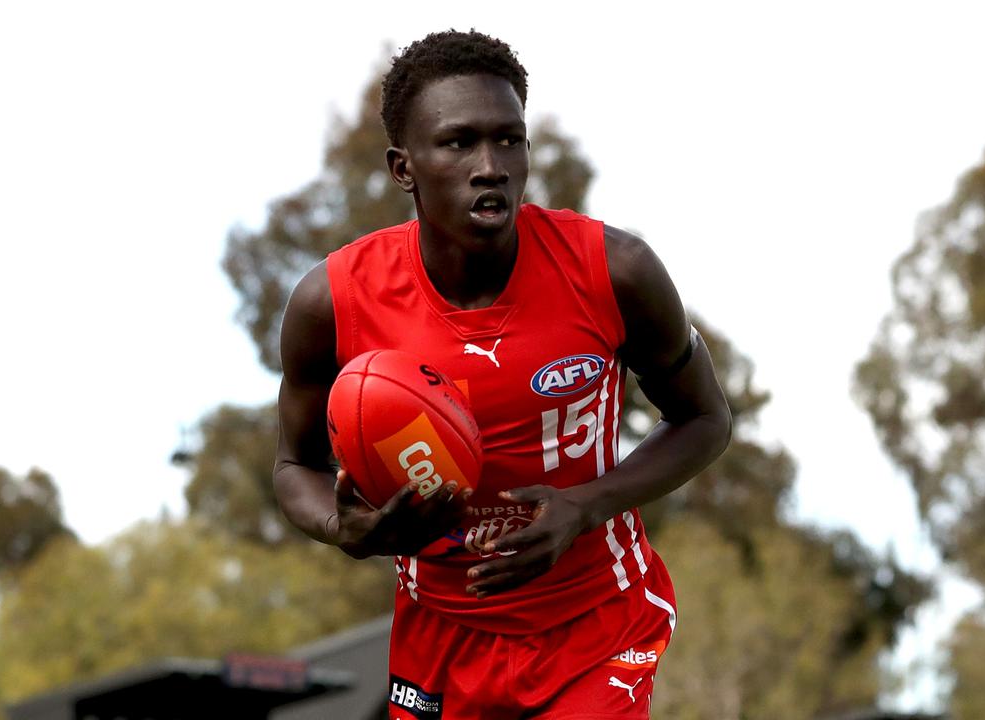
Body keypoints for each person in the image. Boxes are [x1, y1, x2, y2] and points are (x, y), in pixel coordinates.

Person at [274, 29, 731, 719]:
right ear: (404, 168)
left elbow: (707, 419)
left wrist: (588, 504)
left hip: (596, 625)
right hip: (441, 637)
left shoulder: (616, 270)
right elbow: (293, 467)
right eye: (459, 143)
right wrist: (344, 530)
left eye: (509, 139)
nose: (491, 165)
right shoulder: (331, 301)